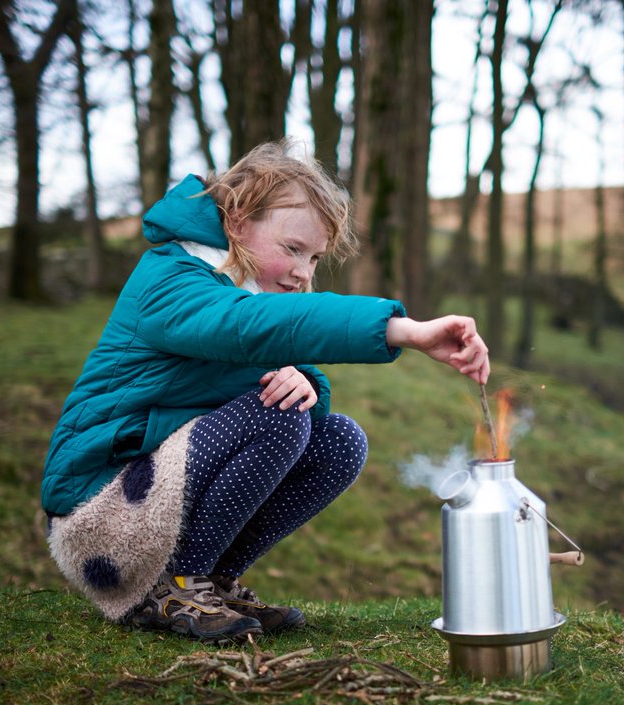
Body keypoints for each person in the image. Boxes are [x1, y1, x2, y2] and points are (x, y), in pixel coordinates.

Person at [42, 140, 490, 643]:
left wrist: (304, 383)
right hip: (101, 516)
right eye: (293, 249)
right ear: (236, 224)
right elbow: (248, 327)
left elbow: (299, 378)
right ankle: (178, 587)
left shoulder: (250, 292)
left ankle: (210, 581)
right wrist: (402, 330)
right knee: (277, 416)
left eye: (316, 257)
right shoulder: (172, 281)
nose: (304, 272)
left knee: (339, 439)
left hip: (153, 503)